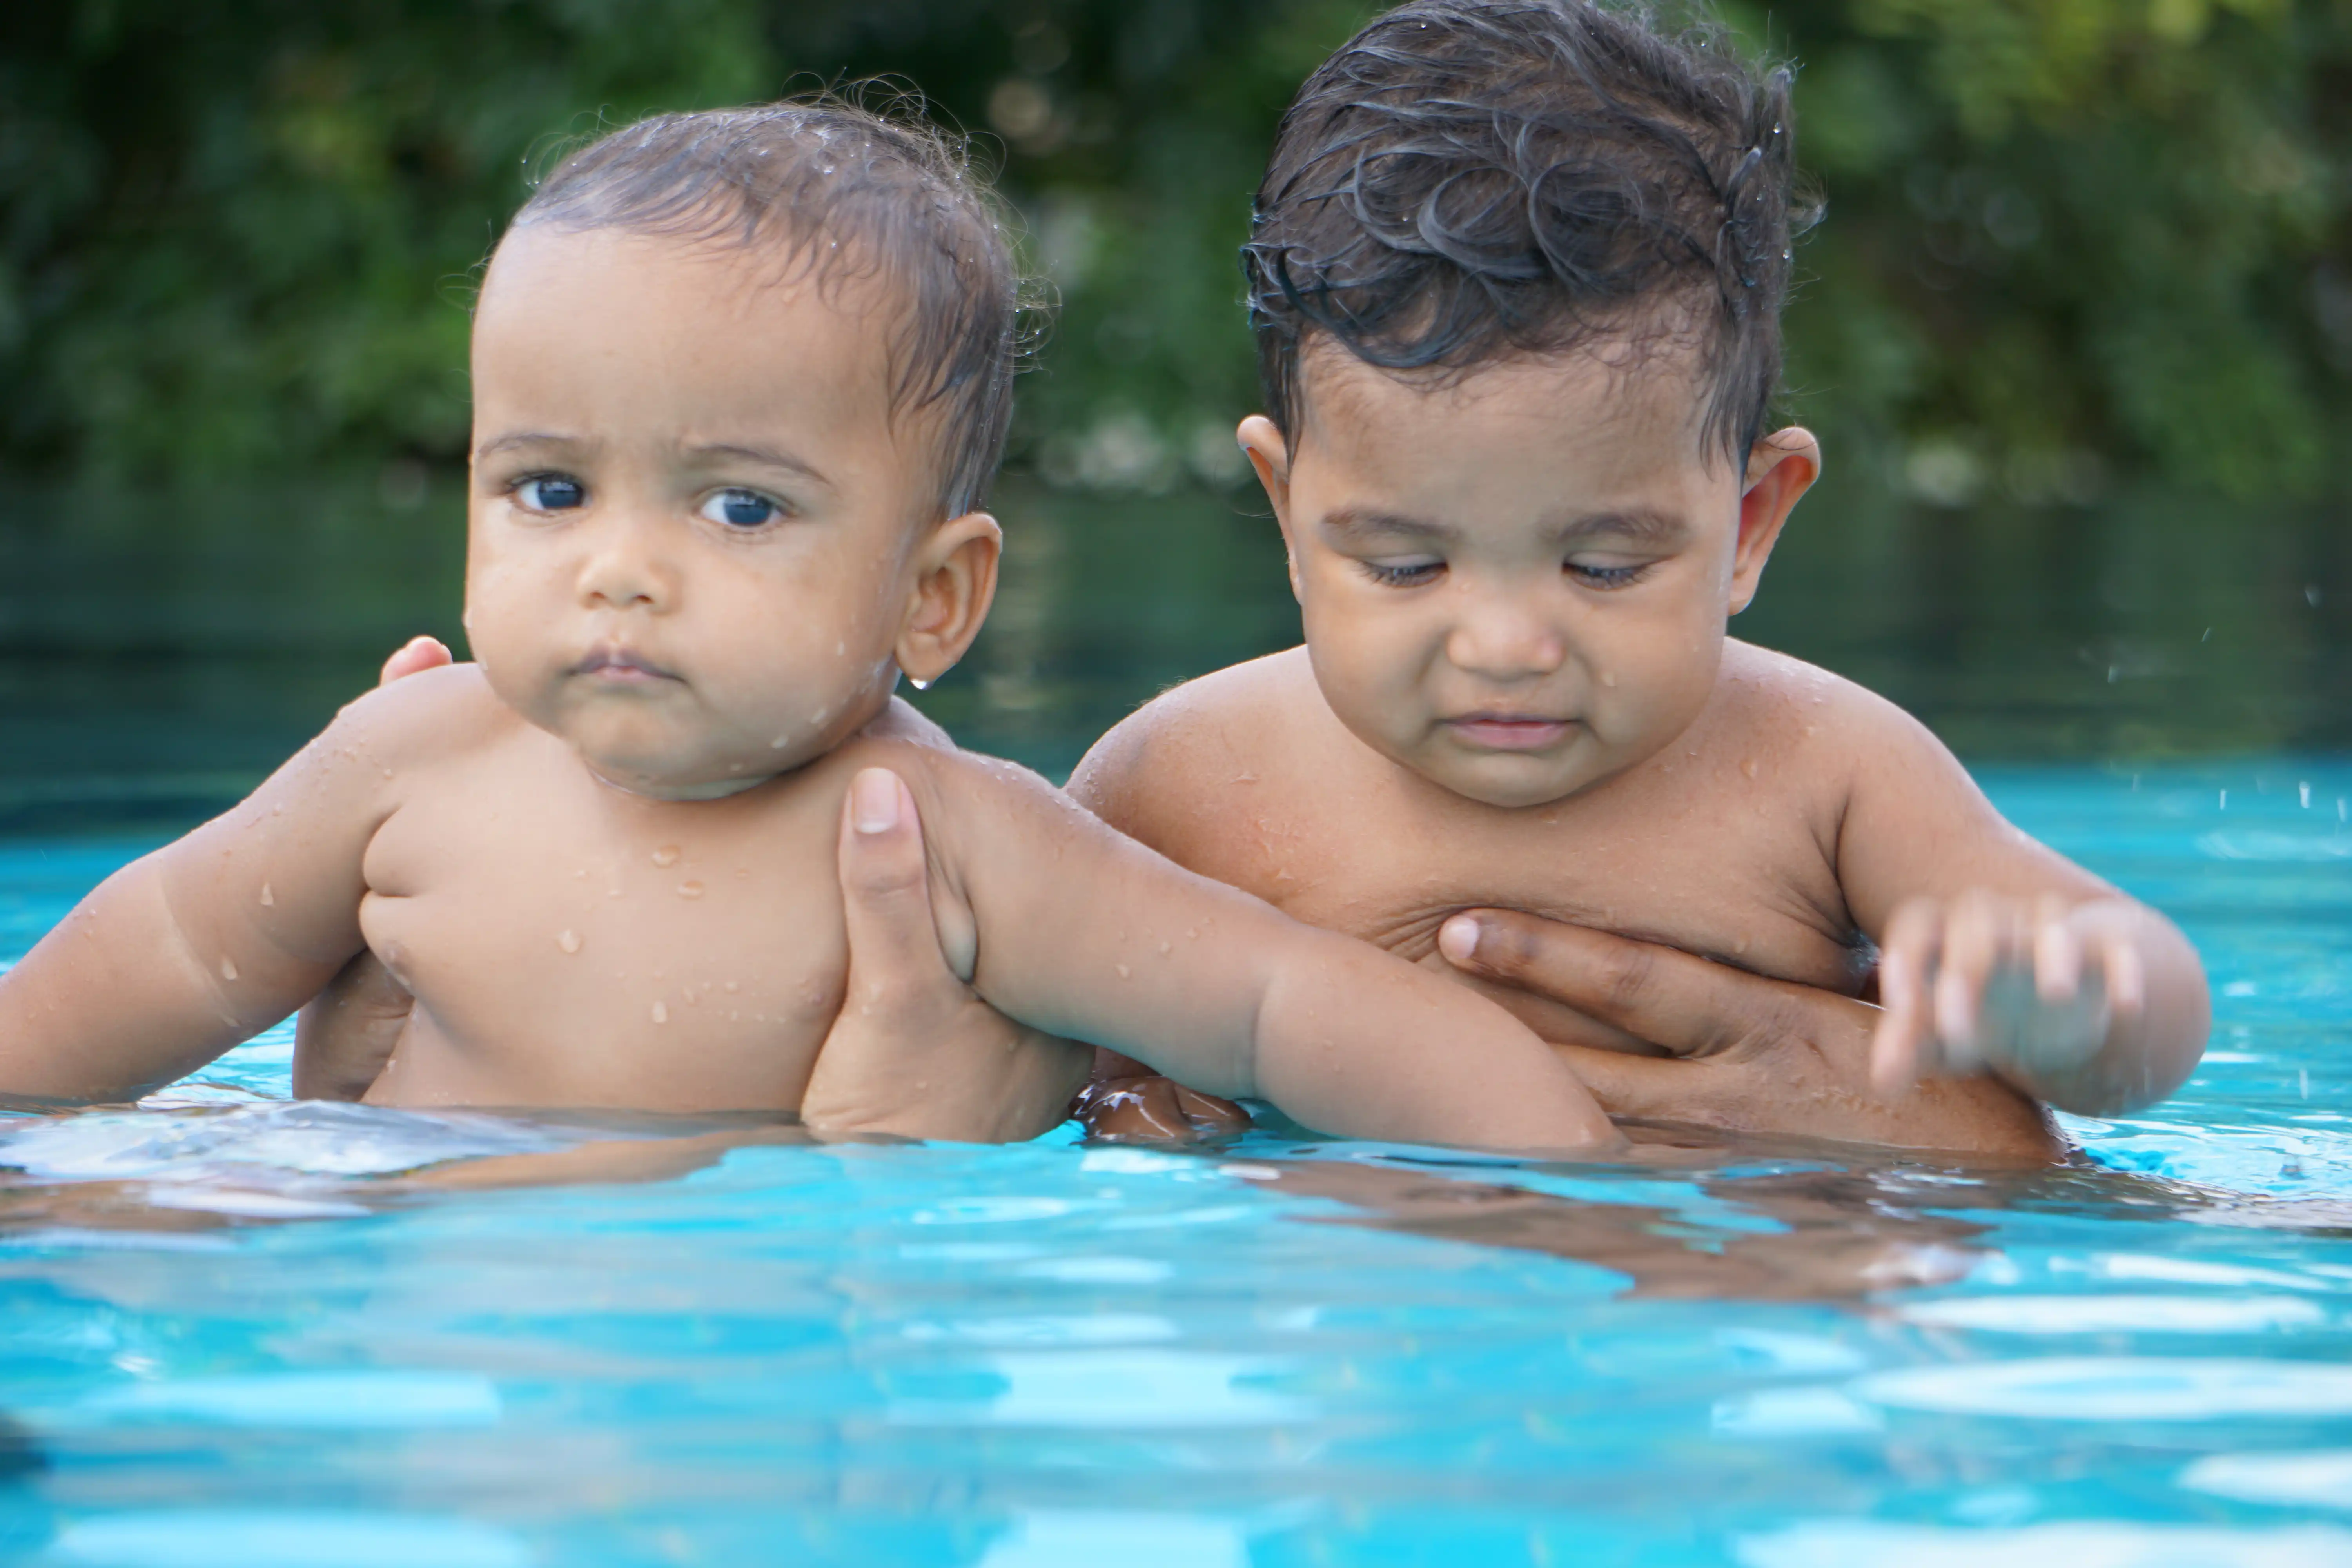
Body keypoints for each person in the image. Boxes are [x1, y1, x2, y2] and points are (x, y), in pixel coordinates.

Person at [0, 102, 1623, 1156]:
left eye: (742, 509)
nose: (619, 571)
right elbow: (166, 948)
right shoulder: (414, 761)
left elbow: (1287, 1003)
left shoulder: (951, 844)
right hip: (412, 1378)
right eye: (550, 489)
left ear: (935, 596)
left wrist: (1571, 1188)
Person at [1063, 0, 2208, 1152]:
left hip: (1718, 1287)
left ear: (1751, 521)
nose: (1506, 645)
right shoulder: (1179, 787)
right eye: (1407, 563)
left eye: (1603, 566)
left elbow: (2134, 1022)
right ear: (1289, 511)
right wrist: (1116, 1096)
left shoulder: (1829, 772)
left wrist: (2074, 1003)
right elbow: (1003, 1049)